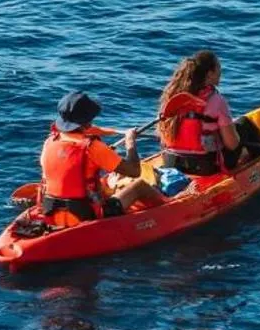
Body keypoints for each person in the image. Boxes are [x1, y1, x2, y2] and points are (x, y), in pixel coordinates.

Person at [38, 91, 165, 228]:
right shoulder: (93, 147)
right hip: (87, 213)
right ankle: (170, 205)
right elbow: (134, 171)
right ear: (86, 122)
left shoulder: (50, 141)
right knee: (139, 185)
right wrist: (130, 142)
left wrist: (116, 133)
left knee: (103, 181)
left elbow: (89, 132)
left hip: (52, 209)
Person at [157, 50, 260, 176]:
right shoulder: (216, 100)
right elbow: (232, 145)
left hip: (171, 162)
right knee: (244, 124)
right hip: (205, 167)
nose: (221, 73)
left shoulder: (171, 97)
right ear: (210, 74)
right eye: (218, 68)